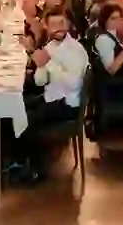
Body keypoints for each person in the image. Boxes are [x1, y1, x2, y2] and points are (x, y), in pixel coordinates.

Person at [7, 10, 88, 183]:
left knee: (28, 118)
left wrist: (48, 63)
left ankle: (36, 170)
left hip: (68, 104)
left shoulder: (76, 50)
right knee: (16, 108)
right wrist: (39, 64)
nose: (58, 28)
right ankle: (19, 161)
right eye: (54, 25)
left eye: (62, 23)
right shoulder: (50, 47)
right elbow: (39, 81)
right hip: (51, 96)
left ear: (68, 24)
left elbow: (73, 84)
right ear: (47, 27)